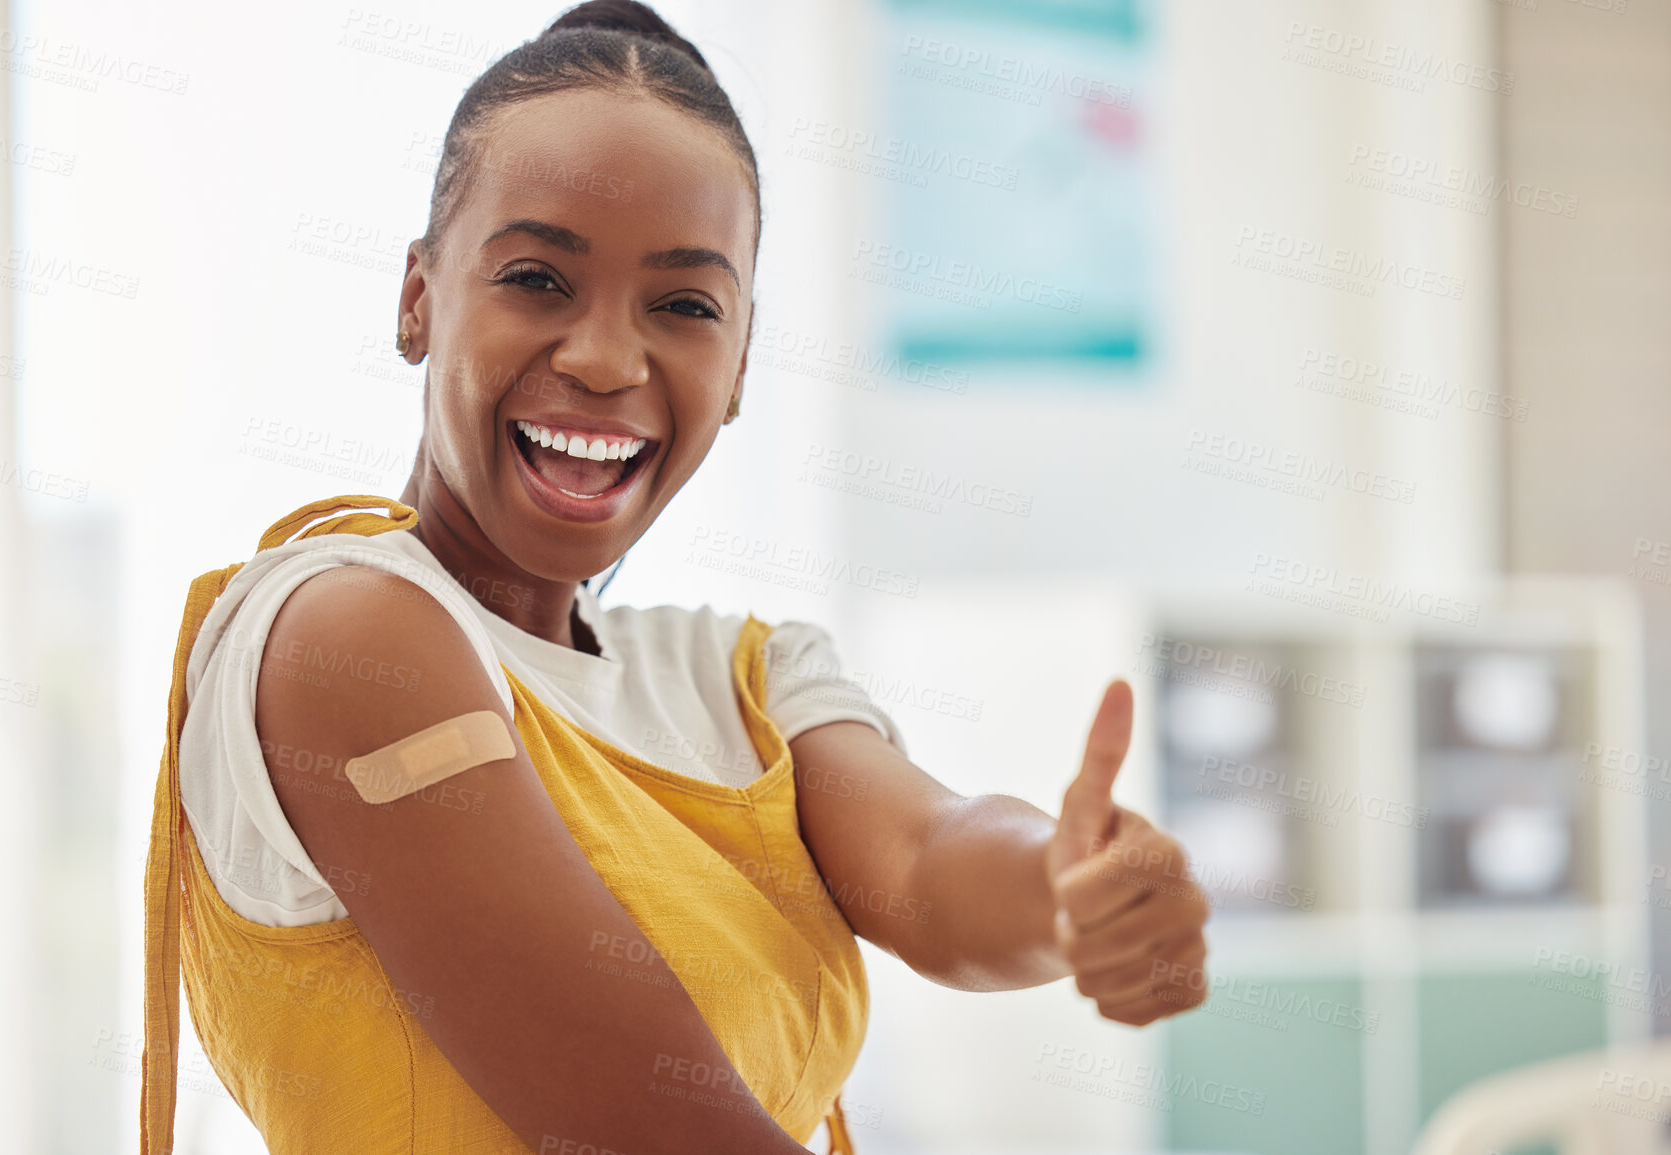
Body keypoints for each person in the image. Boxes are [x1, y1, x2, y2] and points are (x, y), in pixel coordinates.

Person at [139, 3, 1211, 1152]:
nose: (605, 358)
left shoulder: (740, 676)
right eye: (538, 279)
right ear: (418, 298)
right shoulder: (343, 635)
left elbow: (925, 858)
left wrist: (1066, 886)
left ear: (740, 361)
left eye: (685, 306)